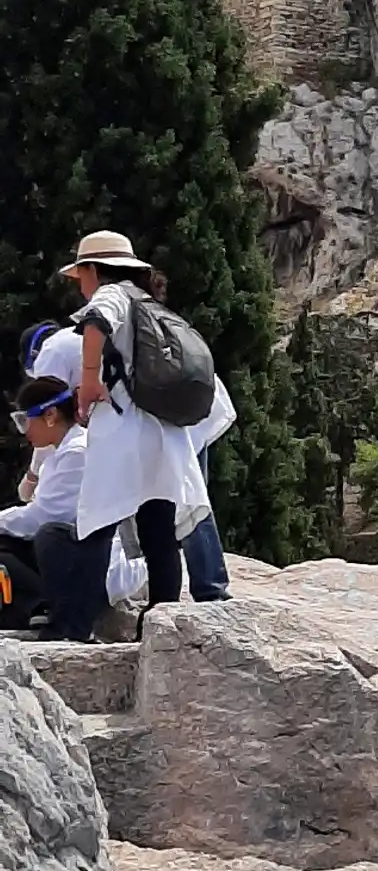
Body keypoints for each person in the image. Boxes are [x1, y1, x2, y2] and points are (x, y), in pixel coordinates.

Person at [21, 314, 234, 603]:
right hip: (186, 407)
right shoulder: (77, 342)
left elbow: (49, 417)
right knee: (184, 503)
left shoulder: (52, 353)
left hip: (168, 420)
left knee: (176, 505)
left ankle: (205, 593)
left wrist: (32, 478)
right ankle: (203, 588)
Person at [62, 230, 209, 614]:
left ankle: (74, 624)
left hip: (123, 429)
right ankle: (162, 621)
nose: (81, 288)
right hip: (163, 434)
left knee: (97, 521)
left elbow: (95, 322)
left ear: (93, 270)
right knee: (159, 532)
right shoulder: (147, 300)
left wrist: (89, 380)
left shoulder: (112, 294)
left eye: (81, 277)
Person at [0, 377, 139, 639]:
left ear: (50, 415)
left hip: (99, 558)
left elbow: (42, 517)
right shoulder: (60, 453)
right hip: (82, 549)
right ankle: (38, 609)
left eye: (25, 420)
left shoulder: (77, 453)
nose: (24, 430)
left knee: (48, 535)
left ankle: (61, 621)